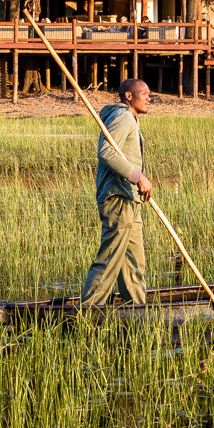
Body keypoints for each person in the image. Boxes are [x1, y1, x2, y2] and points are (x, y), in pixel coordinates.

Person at [81, 78, 154, 307]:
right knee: (110, 257)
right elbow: (106, 153)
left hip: (131, 198)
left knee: (134, 262)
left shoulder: (130, 119)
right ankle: (89, 311)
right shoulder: (123, 116)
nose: (149, 98)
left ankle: (138, 311)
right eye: (144, 93)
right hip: (118, 197)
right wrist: (138, 176)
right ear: (129, 96)